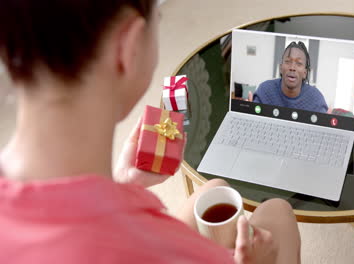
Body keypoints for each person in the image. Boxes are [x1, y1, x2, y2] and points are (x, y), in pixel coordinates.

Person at [0, 1, 301, 264]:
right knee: (278, 214)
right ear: (128, 48)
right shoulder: (164, 253)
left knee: (213, 189)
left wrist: (119, 185)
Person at [252, 41, 328, 113]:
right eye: (288, 61)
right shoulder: (264, 90)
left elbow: (323, 124)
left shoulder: (316, 99)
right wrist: (248, 111)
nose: (292, 67)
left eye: (299, 63)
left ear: (305, 73)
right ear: (281, 68)